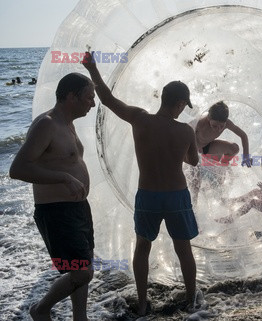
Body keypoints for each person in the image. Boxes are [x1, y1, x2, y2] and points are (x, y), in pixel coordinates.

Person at [82, 52, 200, 315]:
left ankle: (143, 302)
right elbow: (193, 162)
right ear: (180, 103)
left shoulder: (140, 119)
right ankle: (191, 301)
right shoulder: (185, 131)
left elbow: (108, 100)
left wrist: (92, 68)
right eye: (184, 105)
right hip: (177, 196)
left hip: (148, 195)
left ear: (162, 99)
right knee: (184, 251)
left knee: (143, 248)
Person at [9, 73, 96, 321]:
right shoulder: (46, 124)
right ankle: (41, 309)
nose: (92, 103)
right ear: (71, 96)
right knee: (82, 273)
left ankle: (80, 317)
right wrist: (64, 178)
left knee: (83, 266)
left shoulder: (68, 123)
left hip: (78, 207)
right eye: (89, 97)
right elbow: (18, 169)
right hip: (57, 211)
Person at [191, 101, 251, 204]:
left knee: (234, 148)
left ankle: (222, 167)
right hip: (193, 149)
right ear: (209, 118)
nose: (218, 129)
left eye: (221, 126)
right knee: (196, 181)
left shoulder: (227, 123)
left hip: (208, 147)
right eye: (215, 126)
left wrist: (246, 156)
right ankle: (194, 205)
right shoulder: (199, 123)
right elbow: (183, 135)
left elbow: (243, 135)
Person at [216, 150, 262, 227]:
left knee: (252, 202)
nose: (261, 162)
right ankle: (233, 201)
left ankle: (231, 218)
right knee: (256, 191)